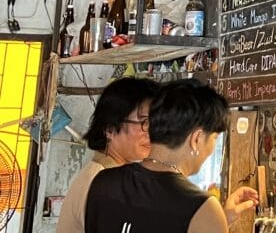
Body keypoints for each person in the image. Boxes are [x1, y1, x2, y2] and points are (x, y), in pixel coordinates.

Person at [84, 80, 258, 233]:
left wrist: (220, 218)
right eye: (213, 138)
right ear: (196, 139)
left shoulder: (103, 181)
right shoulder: (202, 208)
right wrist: (215, 219)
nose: (212, 147)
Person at [57, 76, 160, 233]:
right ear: (110, 128)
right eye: (145, 123)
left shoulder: (108, 177)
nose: (152, 133)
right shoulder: (103, 185)